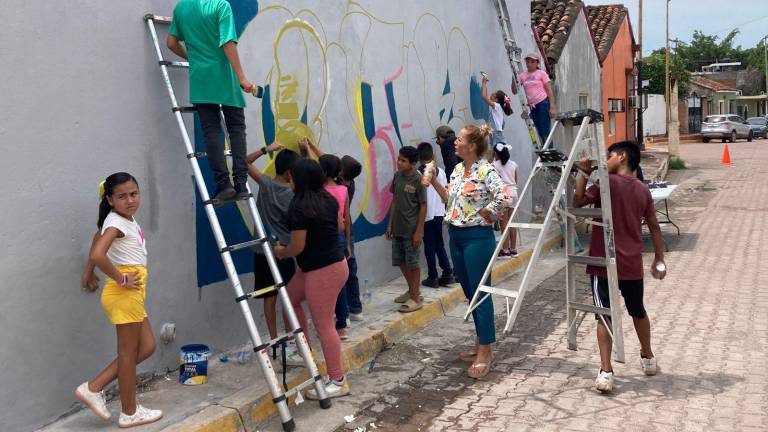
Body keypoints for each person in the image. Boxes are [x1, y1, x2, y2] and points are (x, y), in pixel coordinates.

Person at [572, 141, 666, 393]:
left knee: (604, 315)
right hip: (630, 262)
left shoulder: (606, 184)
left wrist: (583, 174)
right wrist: (659, 258)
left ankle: (606, 371)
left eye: (609, 155)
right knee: (638, 310)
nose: (606, 160)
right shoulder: (643, 189)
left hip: (602, 263)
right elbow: (654, 226)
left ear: (622, 157)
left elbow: (577, 201)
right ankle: (647, 356)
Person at [76, 173, 163, 428]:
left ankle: (94, 387)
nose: (130, 200)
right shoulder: (116, 222)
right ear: (110, 200)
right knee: (127, 354)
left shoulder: (118, 219)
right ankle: (129, 412)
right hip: (124, 293)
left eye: (134, 194)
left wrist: (88, 273)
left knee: (146, 347)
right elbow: (98, 253)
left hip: (132, 294)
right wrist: (121, 279)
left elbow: (97, 238)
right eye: (122, 196)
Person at [429, 125, 513, 379]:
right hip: (456, 236)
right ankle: (480, 341)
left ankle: (486, 350)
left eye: (459, 139)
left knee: (480, 294)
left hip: (477, 238)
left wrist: (488, 213)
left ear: (472, 146)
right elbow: (449, 199)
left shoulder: (486, 170)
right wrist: (433, 181)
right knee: (469, 292)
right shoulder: (457, 170)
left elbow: (504, 197)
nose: (455, 142)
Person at [274, 158, 350, 399]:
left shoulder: (300, 206)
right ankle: (305, 350)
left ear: (298, 179)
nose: (289, 180)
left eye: (291, 176)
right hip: (325, 266)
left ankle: (338, 380)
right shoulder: (326, 198)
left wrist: (281, 252)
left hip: (323, 270)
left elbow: (296, 246)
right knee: (290, 300)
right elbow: (339, 226)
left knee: (324, 325)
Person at [167, 0, 255, 204]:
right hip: (225, 77)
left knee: (211, 132)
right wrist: (242, 77)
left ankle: (224, 184)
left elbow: (171, 43)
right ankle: (241, 184)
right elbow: (227, 42)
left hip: (201, 79)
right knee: (236, 129)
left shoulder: (181, 8)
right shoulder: (220, 5)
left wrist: (190, 58)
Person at [246, 142, 298, 343]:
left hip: (262, 250)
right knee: (288, 295)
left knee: (270, 296)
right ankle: (290, 336)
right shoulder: (293, 193)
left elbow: (244, 162)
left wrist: (266, 149)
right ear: (289, 172)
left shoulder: (265, 183)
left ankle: (274, 339)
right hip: (284, 250)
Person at [386, 146, 428, 313]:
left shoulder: (419, 180)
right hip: (398, 228)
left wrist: (419, 231)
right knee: (401, 262)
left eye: (403, 160)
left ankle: (416, 299)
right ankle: (412, 290)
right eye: (399, 159)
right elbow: (395, 201)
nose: (399, 162)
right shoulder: (397, 176)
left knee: (413, 264)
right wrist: (390, 225)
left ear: (413, 163)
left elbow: (423, 206)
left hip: (411, 230)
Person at [319, 154, 353, 340]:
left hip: (324, 238)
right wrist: (347, 243)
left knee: (324, 284)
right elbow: (346, 219)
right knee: (339, 283)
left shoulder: (318, 191)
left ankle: (328, 323)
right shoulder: (343, 190)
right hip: (339, 238)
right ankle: (341, 324)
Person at [416, 142, 455, 288]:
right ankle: (447, 273)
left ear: (418, 158)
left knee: (429, 246)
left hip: (426, 214)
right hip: (439, 212)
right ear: (433, 155)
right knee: (439, 244)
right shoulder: (441, 171)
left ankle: (432, 276)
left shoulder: (419, 173)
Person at [339, 155, 364, 321]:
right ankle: (355, 308)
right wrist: (312, 148)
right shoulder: (350, 182)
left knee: (341, 271)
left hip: (340, 229)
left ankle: (343, 314)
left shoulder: (339, 187)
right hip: (347, 230)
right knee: (350, 268)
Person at [512, 52, 556, 146]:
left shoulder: (541, 73)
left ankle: (550, 150)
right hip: (532, 106)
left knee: (545, 130)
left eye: (532, 62)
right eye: (528, 62)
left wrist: (552, 107)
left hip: (543, 103)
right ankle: (544, 149)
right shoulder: (522, 75)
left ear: (537, 63)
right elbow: (515, 91)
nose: (529, 64)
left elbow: (549, 90)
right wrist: (514, 78)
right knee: (539, 130)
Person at [491, 143, 519, 257]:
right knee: (512, 222)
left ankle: (505, 250)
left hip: (503, 194)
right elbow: (515, 180)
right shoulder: (513, 164)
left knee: (504, 223)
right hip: (514, 193)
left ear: (495, 153)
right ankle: (514, 249)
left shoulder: (494, 165)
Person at [481, 74, 514, 150]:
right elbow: (501, 125)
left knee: (498, 152)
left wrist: (484, 83)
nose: (492, 93)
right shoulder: (497, 110)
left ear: (496, 100)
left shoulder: (497, 107)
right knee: (495, 152)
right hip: (495, 135)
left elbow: (484, 97)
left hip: (497, 135)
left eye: (494, 94)